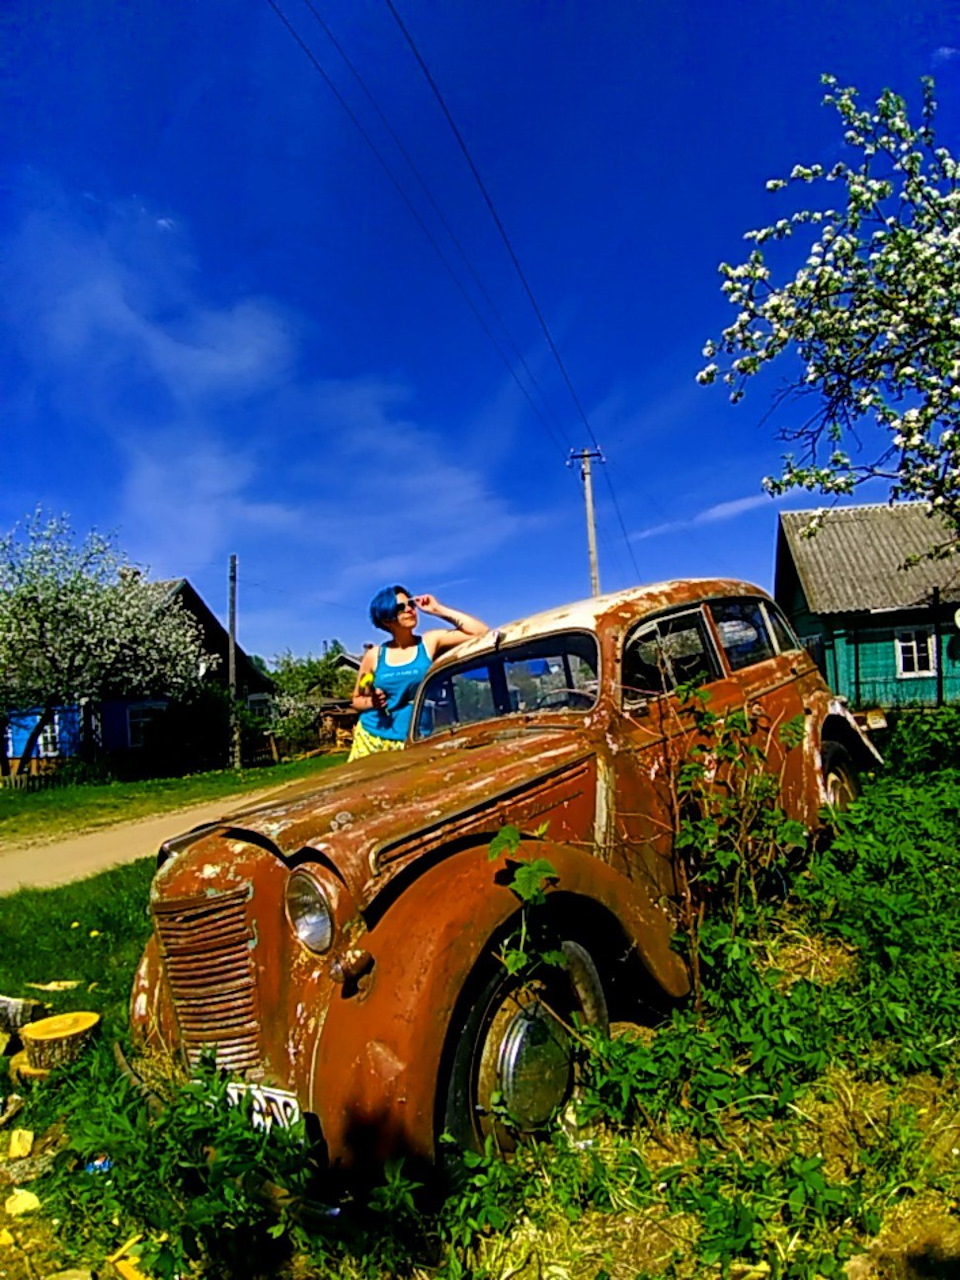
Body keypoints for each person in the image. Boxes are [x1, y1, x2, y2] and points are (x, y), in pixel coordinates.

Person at [348, 587, 487, 761]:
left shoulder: (429, 643)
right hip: (373, 738)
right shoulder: (374, 656)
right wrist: (372, 702)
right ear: (386, 619)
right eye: (400, 608)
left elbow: (480, 632)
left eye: (411, 604)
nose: (409, 609)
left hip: (416, 738)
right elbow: (357, 699)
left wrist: (437, 609)